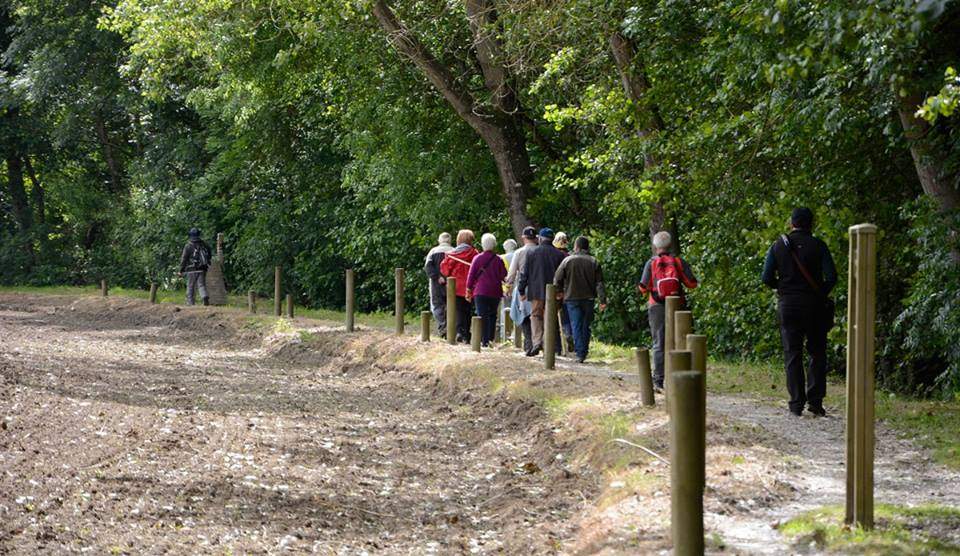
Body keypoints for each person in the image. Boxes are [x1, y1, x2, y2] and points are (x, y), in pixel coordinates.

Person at [762, 207, 837, 417]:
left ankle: (796, 403)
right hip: (814, 306)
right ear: (811, 223)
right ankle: (815, 401)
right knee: (817, 352)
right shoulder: (819, 246)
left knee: (792, 353)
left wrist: (783, 288)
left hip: (788, 305)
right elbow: (831, 276)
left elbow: (766, 277)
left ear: (791, 223)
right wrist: (819, 293)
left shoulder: (778, 246)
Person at [638, 231, 698, 390]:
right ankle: (683, 377)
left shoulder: (651, 263)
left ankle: (658, 380)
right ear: (670, 245)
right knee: (681, 339)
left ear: (655, 246)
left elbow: (642, 288)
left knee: (659, 342)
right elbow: (692, 283)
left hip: (656, 306)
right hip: (678, 305)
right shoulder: (678, 262)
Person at [553, 236, 606, 363]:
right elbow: (599, 283)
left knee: (575, 324)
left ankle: (579, 352)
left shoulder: (567, 261)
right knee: (585, 325)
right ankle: (584, 351)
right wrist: (602, 300)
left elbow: (557, 278)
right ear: (587, 247)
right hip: (589, 298)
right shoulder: (594, 262)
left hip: (571, 297)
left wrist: (559, 292)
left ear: (576, 247)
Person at [518, 227, 566, 357]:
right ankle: (549, 344)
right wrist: (561, 291)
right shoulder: (559, 255)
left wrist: (521, 290)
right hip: (554, 293)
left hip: (536, 291)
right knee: (550, 317)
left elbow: (524, 274)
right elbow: (563, 276)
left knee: (536, 316)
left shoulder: (532, 253)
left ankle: (537, 342)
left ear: (540, 238)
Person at [467, 233, 508, 347]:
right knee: (492, 315)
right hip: (495, 292)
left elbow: (471, 276)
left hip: (481, 292)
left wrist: (468, 289)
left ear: (482, 244)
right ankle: (490, 339)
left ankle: (483, 341)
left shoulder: (477, 258)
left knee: (482, 316)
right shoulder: (498, 259)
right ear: (494, 245)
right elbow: (504, 275)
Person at [440, 229, 479, 343]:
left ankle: (458, 333)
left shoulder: (452, 255)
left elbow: (445, 271)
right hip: (469, 288)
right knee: (467, 311)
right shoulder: (474, 253)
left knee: (456, 311)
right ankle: (466, 334)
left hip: (455, 288)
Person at [507, 227, 538, 353]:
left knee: (525, 316)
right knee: (537, 315)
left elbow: (512, 272)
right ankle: (538, 342)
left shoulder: (519, 252)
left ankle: (528, 343)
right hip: (539, 287)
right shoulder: (540, 251)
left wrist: (508, 283)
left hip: (523, 288)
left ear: (523, 237)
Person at [424, 232, 454, 337]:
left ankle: (442, 328)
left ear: (439, 241)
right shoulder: (454, 251)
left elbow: (428, 267)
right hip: (452, 284)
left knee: (437, 306)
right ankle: (451, 329)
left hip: (436, 285)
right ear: (450, 241)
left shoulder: (433, 251)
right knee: (452, 306)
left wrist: (437, 277)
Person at [178, 228, 212, 306]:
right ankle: (204, 296)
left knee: (190, 286)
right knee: (201, 285)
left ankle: (190, 303)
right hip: (202, 268)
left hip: (191, 269)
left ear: (190, 235)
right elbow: (209, 255)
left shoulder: (188, 245)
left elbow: (184, 259)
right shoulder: (205, 244)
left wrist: (181, 270)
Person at [553, 231, 574, 351]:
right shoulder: (570, 257)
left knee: (562, 316)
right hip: (570, 290)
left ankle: (566, 336)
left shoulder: (555, 256)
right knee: (569, 315)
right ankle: (570, 335)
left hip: (557, 290)